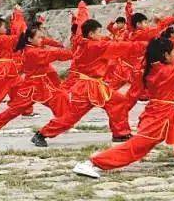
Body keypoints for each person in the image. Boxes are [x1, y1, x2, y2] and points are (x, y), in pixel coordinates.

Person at [73, 35, 174, 178]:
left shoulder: (153, 68)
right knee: (134, 149)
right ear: (165, 55)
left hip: (164, 113)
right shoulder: (168, 72)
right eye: (173, 52)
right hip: (159, 118)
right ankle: (92, 163)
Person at [32, 19, 148, 147]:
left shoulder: (85, 44)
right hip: (86, 87)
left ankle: (120, 133)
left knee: (118, 101)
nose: (101, 35)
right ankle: (42, 134)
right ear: (91, 34)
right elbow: (121, 47)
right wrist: (146, 45)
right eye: (99, 32)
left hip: (94, 85)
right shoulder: (94, 46)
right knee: (71, 116)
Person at [0, 26, 72, 135]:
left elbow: (53, 53)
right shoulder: (32, 52)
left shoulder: (32, 49)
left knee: (61, 96)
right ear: (29, 39)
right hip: (32, 87)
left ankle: (62, 124)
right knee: (14, 111)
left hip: (43, 84)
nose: (41, 40)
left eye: (41, 37)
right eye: (39, 37)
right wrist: (73, 53)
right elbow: (55, 54)